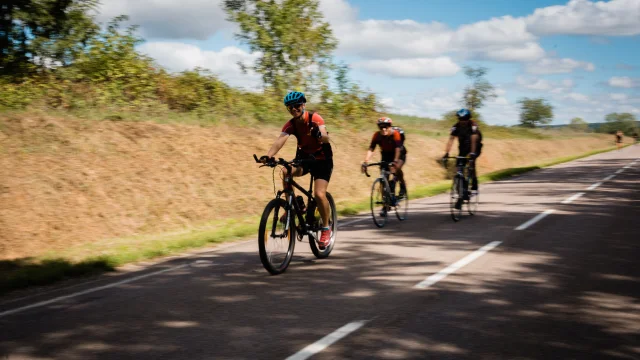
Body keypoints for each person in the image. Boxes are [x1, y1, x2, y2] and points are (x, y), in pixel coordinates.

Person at [259, 91, 334, 249]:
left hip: (322, 160)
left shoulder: (315, 118)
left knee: (319, 194)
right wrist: (269, 156)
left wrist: (319, 134)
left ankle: (326, 228)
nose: (294, 109)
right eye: (290, 107)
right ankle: (294, 206)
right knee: (286, 171)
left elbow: (326, 137)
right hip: (305, 159)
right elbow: (280, 140)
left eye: (296, 106)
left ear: (303, 105)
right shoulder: (291, 124)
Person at [361, 117, 407, 204]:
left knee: (395, 169)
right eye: (381, 127)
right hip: (386, 155)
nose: (384, 129)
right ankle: (385, 205)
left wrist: (395, 161)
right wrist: (366, 161)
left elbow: (398, 148)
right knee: (383, 179)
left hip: (399, 153)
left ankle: (402, 186)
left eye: (386, 126)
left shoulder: (395, 134)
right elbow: (371, 148)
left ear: (390, 126)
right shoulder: (377, 135)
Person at [443, 109, 483, 208]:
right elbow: (451, 140)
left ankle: (474, 180)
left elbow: (474, 139)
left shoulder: (473, 125)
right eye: (461, 119)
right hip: (463, 149)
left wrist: (472, 153)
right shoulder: (455, 127)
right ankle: (461, 195)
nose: (463, 121)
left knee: (471, 162)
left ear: (468, 119)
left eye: (465, 119)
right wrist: (446, 153)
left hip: (475, 147)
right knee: (458, 170)